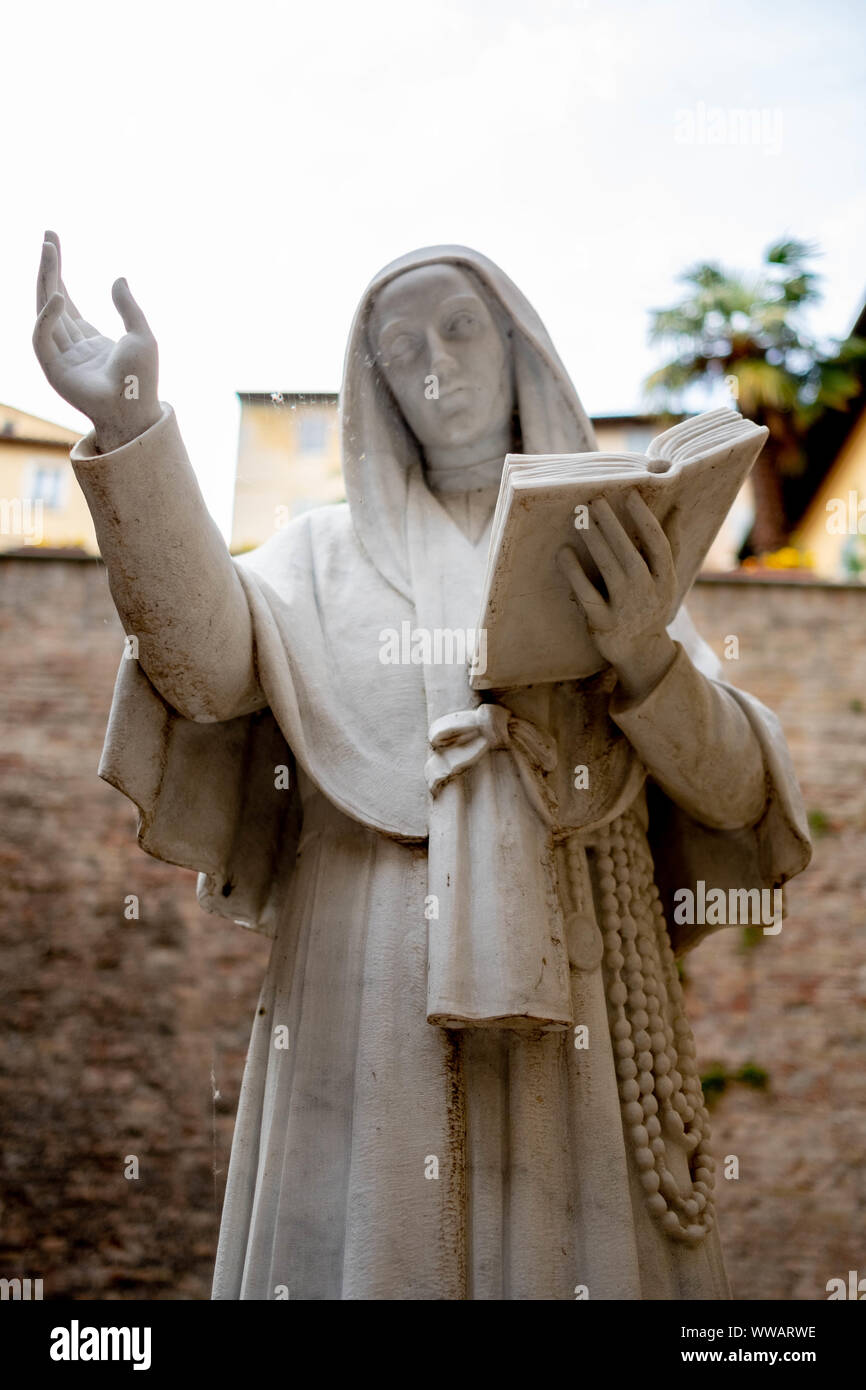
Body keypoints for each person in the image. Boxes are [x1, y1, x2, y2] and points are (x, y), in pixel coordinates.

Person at [34, 234, 811, 1300]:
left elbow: (735, 790)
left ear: (514, 347)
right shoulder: (317, 556)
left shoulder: (615, 554)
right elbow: (204, 666)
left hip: (579, 966)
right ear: (377, 385)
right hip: (365, 969)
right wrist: (131, 431)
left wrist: (643, 655)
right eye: (400, 346)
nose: (436, 361)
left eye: (459, 327)